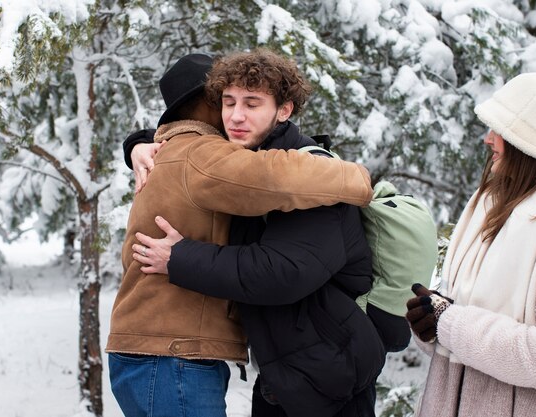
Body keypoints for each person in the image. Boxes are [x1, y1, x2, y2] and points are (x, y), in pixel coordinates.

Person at [128, 49, 406, 417]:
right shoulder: (244, 161)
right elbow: (188, 146)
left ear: (284, 110)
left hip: (329, 376)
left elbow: (283, 272)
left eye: (252, 103)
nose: (236, 116)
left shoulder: (309, 177)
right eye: (228, 103)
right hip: (284, 373)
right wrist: (137, 144)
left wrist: (181, 257)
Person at [406, 72, 536, 417]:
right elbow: (462, 338)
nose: (489, 139)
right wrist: (431, 325)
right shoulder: (491, 216)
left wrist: (451, 323)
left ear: (529, 143)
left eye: (500, 130)